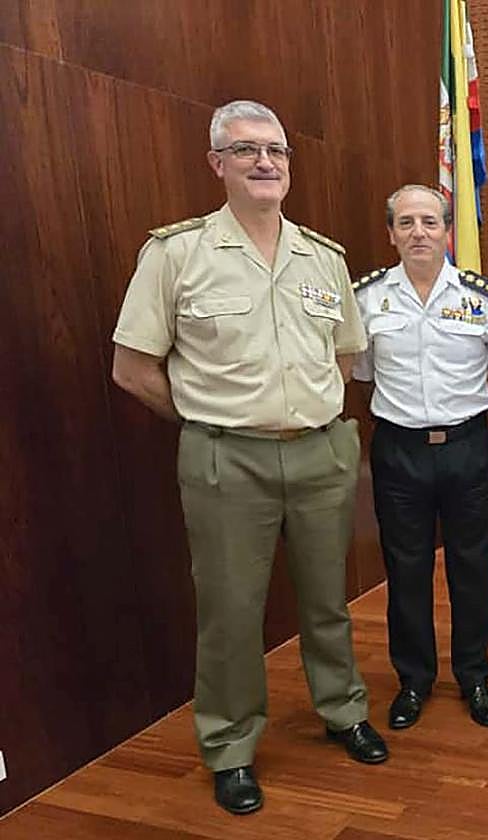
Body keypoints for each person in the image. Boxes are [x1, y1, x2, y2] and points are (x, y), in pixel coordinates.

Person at [111, 100, 388, 815]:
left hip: (323, 454)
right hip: (226, 462)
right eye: (246, 151)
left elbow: (345, 354)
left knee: (330, 599)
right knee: (231, 613)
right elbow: (134, 368)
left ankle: (342, 710)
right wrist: (214, 420)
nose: (264, 163)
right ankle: (230, 747)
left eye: (276, 152)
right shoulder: (177, 254)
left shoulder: (323, 257)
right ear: (217, 165)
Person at [352, 185, 488, 731]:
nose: (418, 233)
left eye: (429, 222)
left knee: (473, 568)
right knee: (406, 569)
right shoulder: (367, 298)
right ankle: (414, 679)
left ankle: (474, 675)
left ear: (447, 230)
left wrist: (472, 423)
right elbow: (360, 376)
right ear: (391, 234)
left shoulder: (482, 297)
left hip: (469, 448)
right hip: (398, 452)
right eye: (406, 223)